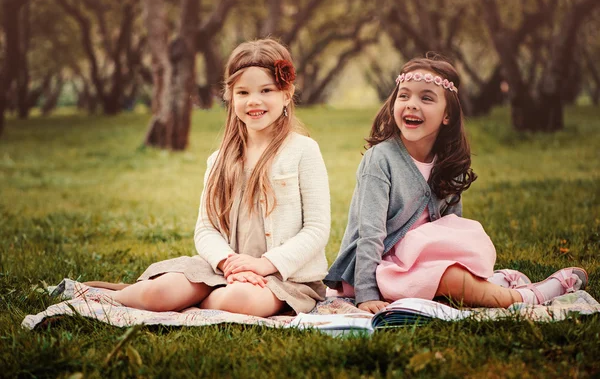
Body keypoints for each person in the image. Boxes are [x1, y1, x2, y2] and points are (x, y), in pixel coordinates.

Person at [324, 55, 588, 313]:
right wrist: (366, 293)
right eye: (404, 95)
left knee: (455, 268)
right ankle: (524, 297)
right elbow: (370, 234)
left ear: (447, 115)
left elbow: (451, 231)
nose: (412, 104)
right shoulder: (381, 160)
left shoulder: (448, 162)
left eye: (426, 98)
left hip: (422, 262)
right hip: (381, 267)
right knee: (449, 277)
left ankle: (487, 285)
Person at [88, 39, 331, 317]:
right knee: (160, 293)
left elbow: (316, 229)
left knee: (240, 300)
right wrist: (228, 263)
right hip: (221, 269)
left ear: (287, 93)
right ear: (230, 96)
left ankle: (194, 301)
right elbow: (206, 229)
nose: (254, 100)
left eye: (267, 90)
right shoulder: (219, 160)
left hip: (284, 277)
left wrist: (263, 265)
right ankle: (115, 294)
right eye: (243, 92)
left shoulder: (303, 151)